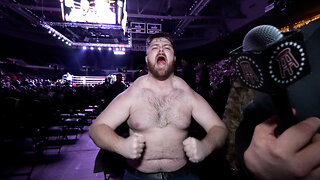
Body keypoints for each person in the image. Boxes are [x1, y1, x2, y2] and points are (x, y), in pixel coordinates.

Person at [89, 32, 228, 180]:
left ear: (174, 59)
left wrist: (206, 146)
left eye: (167, 47)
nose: (161, 50)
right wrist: (120, 145)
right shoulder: (133, 93)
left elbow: (219, 128)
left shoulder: (187, 93)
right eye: (155, 47)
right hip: (138, 176)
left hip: (183, 175)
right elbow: (97, 128)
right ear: (147, 59)